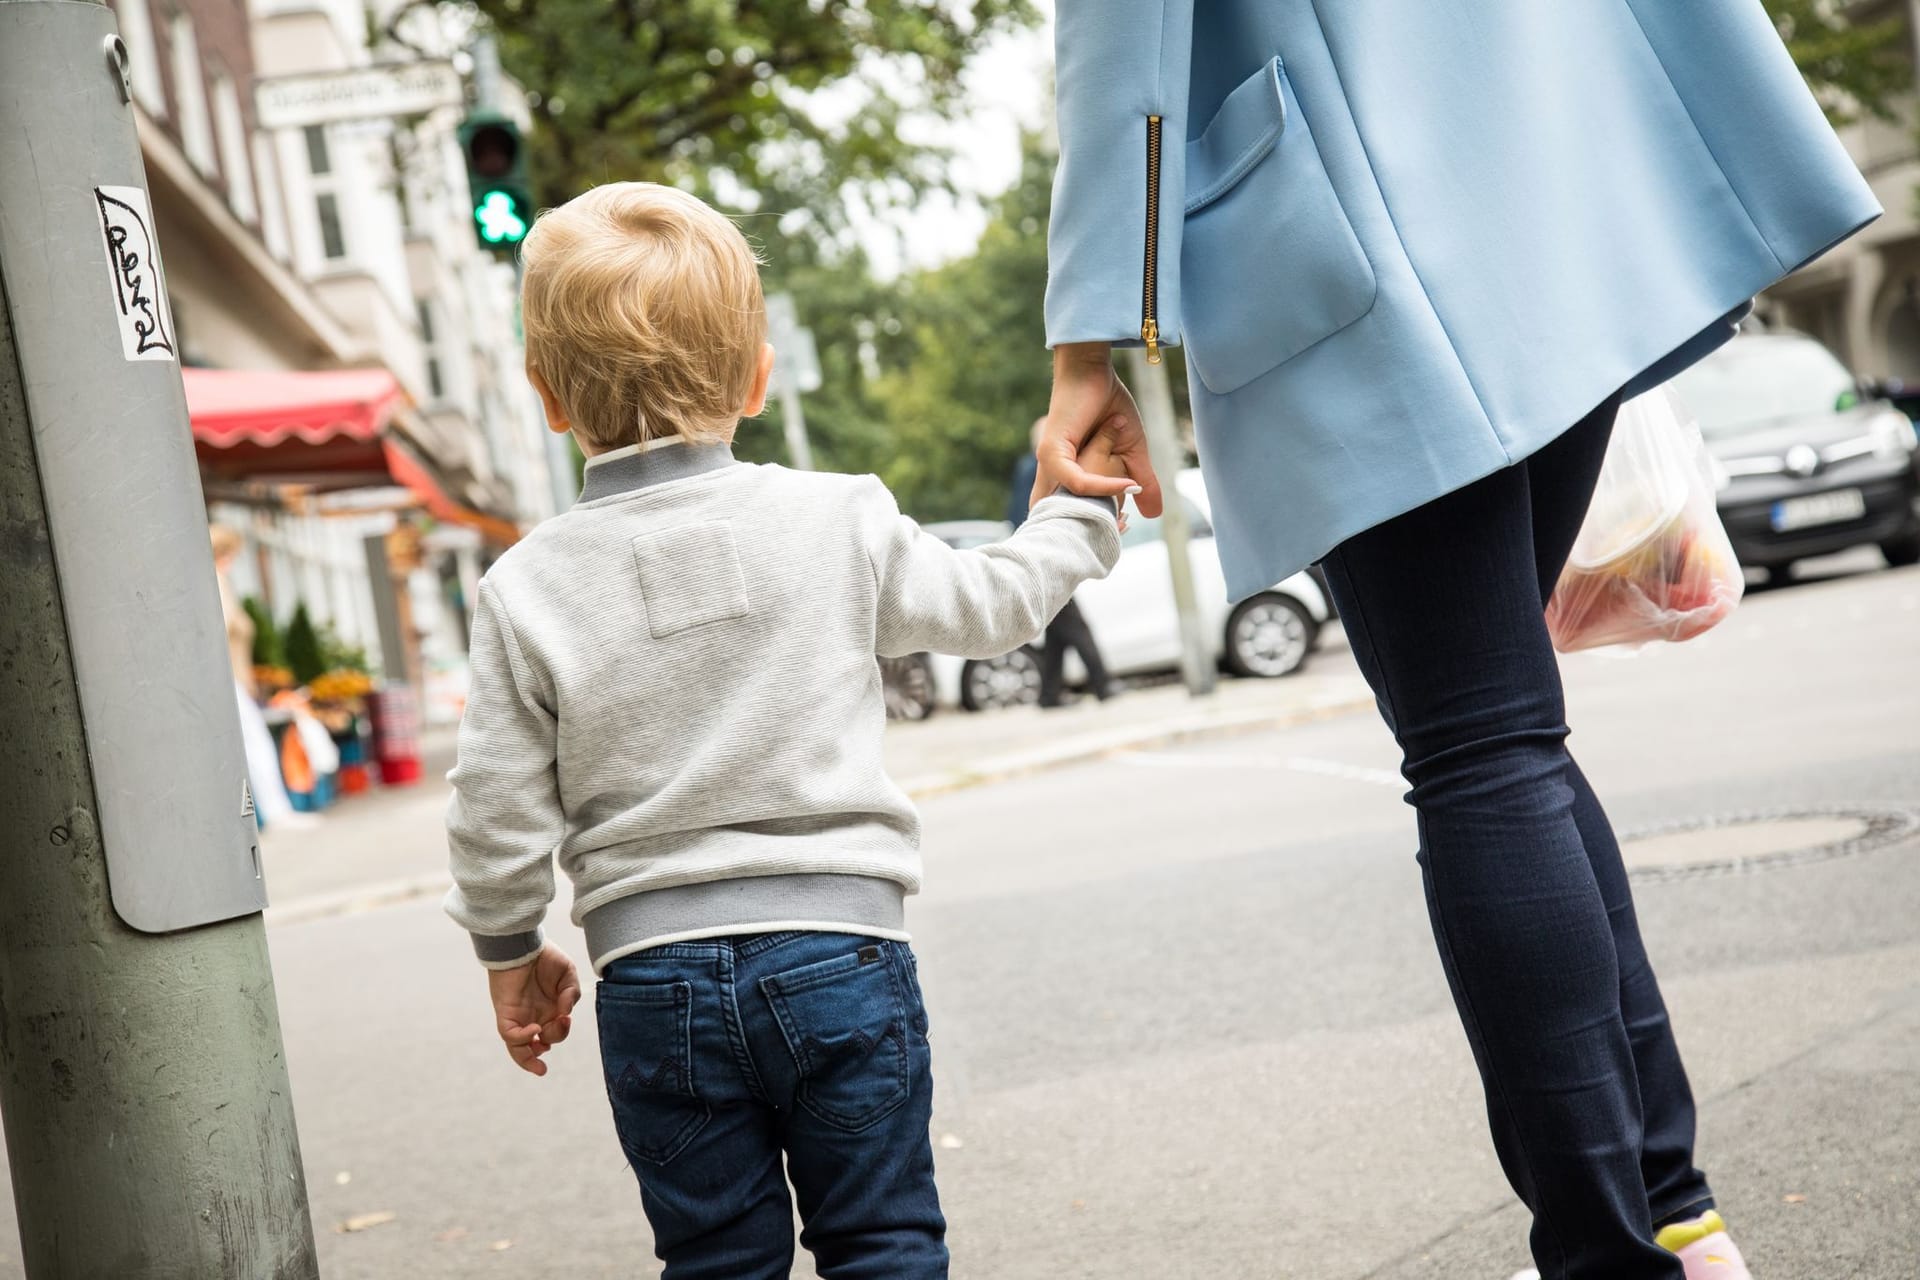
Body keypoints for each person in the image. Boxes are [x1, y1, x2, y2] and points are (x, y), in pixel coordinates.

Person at [1034, 4, 1879, 1279]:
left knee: (1482, 749)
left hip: (1360, 222)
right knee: (1513, 736)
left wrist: (1085, 342)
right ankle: (1676, 1216)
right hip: (1564, 168)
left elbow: (1120, 39)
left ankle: (1612, 1254)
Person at [442, 182, 1128, 1280]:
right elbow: (993, 605)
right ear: (758, 374)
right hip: (839, 949)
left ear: (546, 395)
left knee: (717, 1257)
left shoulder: (526, 589)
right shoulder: (835, 518)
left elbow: (493, 808)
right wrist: (1077, 509)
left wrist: (508, 948)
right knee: (885, 1240)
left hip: (651, 980)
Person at [1010, 415, 1118, 708]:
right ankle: (1104, 685)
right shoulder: (1036, 470)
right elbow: (1029, 515)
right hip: (1045, 562)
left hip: (1041, 561)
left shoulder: (1029, 469)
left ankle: (1049, 695)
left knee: (1058, 634)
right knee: (1076, 627)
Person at [209, 524, 302, 830]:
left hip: (230, 678)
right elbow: (219, 629)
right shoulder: (217, 581)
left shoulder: (215, 581)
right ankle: (276, 813)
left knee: (249, 742)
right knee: (256, 742)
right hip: (227, 679)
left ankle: (273, 812)